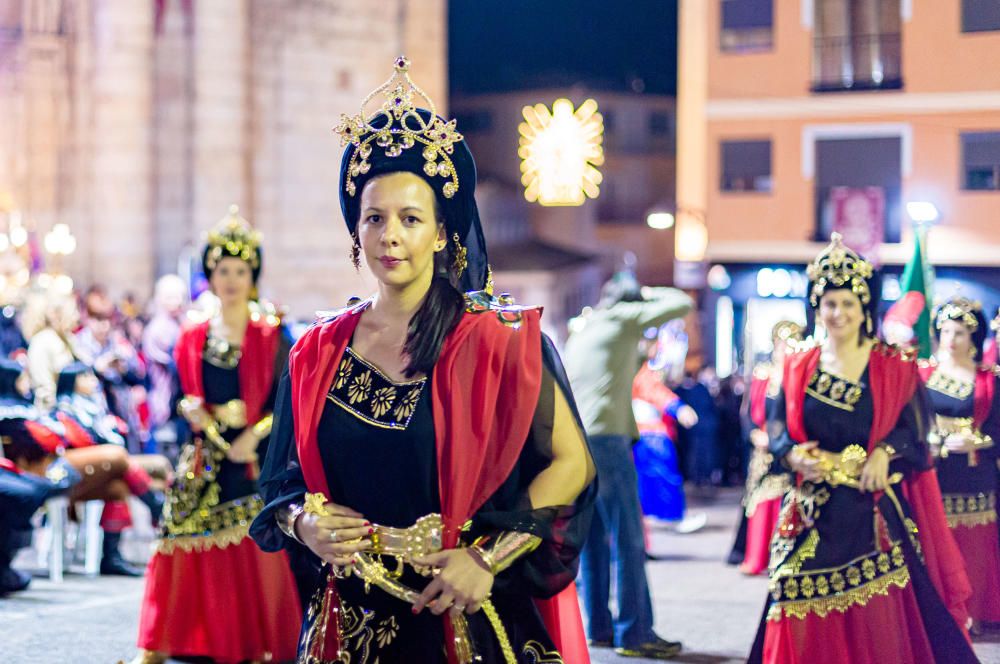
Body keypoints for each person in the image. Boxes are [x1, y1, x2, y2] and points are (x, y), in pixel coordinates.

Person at [250, 56, 596, 664]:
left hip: (461, 609)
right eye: (375, 218)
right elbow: (282, 479)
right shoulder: (317, 351)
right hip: (345, 624)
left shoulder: (500, 340)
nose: (390, 236)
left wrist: (486, 558)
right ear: (357, 232)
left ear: (441, 234)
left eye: (411, 219)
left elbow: (570, 464)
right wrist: (304, 524)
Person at [749, 233, 977, 664]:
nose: (838, 313)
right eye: (829, 303)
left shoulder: (893, 365)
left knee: (878, 613)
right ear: (817, 307)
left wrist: (883, 452)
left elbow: (914, 434)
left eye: (848, 304)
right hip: (810, 507)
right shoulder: (798, 363)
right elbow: (775, 425)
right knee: (793, 596)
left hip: (872, 509)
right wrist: (791, 454)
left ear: (863, 308)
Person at [132, 206, 300, 664]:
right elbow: (181, 398)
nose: (230, 278)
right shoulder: (193, 334)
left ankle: (254, 640)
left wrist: (256, 433)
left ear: (253, 274)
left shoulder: (272, 332)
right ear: (210, 273)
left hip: (252, 455)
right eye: (222, 269)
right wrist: (192, 409)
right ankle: (169, 640)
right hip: (203, 452)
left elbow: (285, 404)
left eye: (240, 270)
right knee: (178, 531)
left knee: (249, 537)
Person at [563, 271, 691, 659]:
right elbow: (680, 303)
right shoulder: (620, 318)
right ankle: (636, 633)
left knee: (594, 542)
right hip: (607, 441)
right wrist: (647, 294)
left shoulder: (588, 327)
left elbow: (632, 359)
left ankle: (599, 627)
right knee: (628, 538)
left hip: (578, 440)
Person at [919, 296, 1000, 629]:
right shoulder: (922, 373)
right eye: (946, 331)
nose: (951, 339)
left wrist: (976, 441)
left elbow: (997, 427)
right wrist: (935, 442)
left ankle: (976, 610)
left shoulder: (988, 379)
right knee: (934, 540)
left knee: (977, 544)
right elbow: (911, 422)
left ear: (973, 338)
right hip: (933, 471)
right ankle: (939, 609)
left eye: (960, 333)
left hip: (974, 472)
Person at [728, 321, 801, 575]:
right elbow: (749, 411)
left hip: (789, 447)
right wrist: (754, 435)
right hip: (763, 447)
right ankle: (755, 555)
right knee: (758, 499)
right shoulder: (764, 374)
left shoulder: (799, 373)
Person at [75, 287, 148, 453]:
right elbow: (79, 382)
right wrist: (99, 368)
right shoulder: (79, 344)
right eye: (98, 319)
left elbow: (139, 376)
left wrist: (124, 368)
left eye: (107, 319)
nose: (103, 326)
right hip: (96, 419)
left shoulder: (117, 342)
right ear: (87, 317)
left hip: (124, 414)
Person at [142, 274, 187, 463]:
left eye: (178, 297)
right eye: (170, 297)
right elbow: (176, 365)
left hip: (178, 404)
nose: (175, 302)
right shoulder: (158, 328)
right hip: (165, 405)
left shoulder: (180, 324)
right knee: (167, 459)